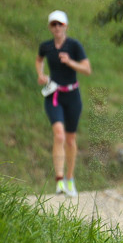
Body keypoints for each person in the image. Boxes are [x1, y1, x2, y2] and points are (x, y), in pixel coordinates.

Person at [36, 10, 91, 197]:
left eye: (60, 24)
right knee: (58, 135)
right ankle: (59, 180)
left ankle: (70, 178)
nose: (57, 27)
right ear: (50, 27)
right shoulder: (46, 46)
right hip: (54, 95)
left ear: (65, 26)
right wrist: (41, 75)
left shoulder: (74, 45)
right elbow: (39, 60)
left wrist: (70, 62)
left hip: (72, 95)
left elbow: (87, 69)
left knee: (69, 139)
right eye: (53, 24)